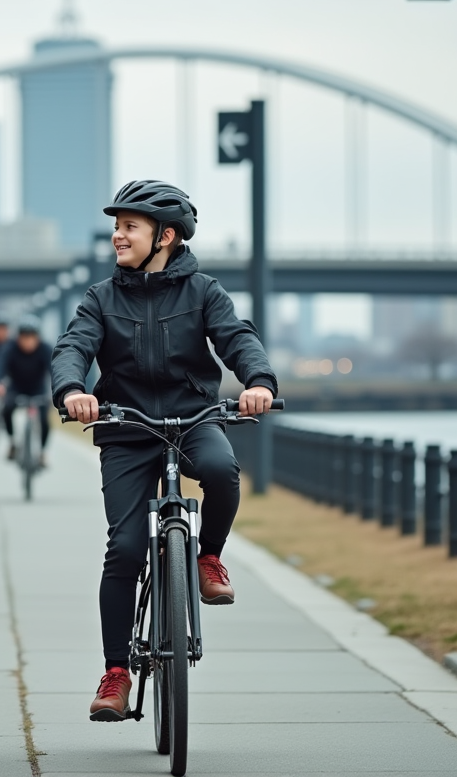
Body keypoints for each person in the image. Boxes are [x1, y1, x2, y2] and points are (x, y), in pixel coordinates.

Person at [51, 180, 278, 722]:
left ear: (166, 236)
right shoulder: (101, 298)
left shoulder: (204, 291)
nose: (117, 235)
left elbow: (236, 338)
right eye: (117, 225)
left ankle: (208, 556)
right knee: (125, 547)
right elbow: (74, 347)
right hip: (127, 428)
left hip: (191, 416)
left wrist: (258, 381)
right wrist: (73, 391)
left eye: (130, 226)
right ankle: (117, 672)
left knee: (222, 471)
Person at [0, 317, 53, 467]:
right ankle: (13, 442)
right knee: (6, 410)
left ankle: (42, 452)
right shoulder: (10, 347)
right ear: (18, 337)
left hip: (38, 388)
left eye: (32, 337)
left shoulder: (45, 349)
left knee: (45, 418)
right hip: (16, 387)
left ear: (38, 338)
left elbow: (54, 370)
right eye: (24, 337)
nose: (28, 342)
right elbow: (0, 365)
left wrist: (58, 388)